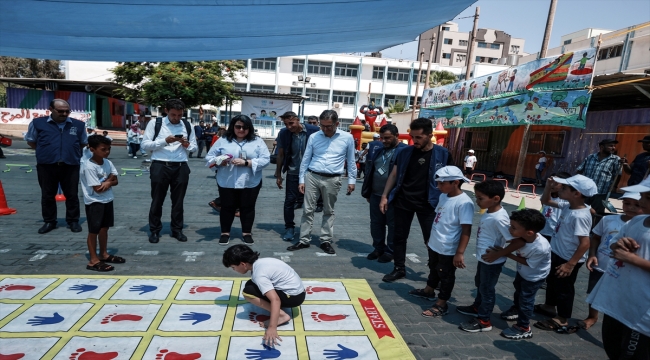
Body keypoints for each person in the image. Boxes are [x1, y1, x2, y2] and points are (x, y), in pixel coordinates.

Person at [379, 118, 454, 282]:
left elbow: (453, 180)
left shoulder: (443, 154)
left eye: (419, 137)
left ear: (429, 135)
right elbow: (393, 174)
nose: (415, 141)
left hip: (429, 203)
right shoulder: (404, 152)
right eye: (413, 137)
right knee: (399, 237)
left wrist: (451, 202)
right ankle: (399, 268)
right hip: (403, 201)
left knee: (431, 240)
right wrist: (385, 196)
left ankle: (435, 274)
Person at [587, 177, 650, 360]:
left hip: (641, 308)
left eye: (649, 197)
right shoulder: (637, 221)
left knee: (632, 353)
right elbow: (614, 243)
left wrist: (631, 258)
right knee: (612, 345)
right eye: (643, 196)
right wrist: (619, 245)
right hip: (619, 299)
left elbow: (628, 257)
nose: (642, 201)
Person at [287, 110, 356, 255]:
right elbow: (306, 159)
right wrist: (301, 179)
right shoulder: (314, 137)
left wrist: (352, 180)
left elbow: (351, 160)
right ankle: (304, 239)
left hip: (333, 178)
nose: (325, 129)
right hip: (312, 176)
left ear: (337, 124)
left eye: (329, 126)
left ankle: (325, 240)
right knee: (307, 209)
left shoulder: (347, 138)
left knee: (328, 210)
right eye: (322, 126)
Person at [534, 174, 597, 332]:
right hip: (557, 252)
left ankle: (562, 318)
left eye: (564, 187)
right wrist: (548, 186)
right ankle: (549, 306)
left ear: (577, 193)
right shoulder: (568, 206)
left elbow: (585, 243)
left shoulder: (580, 215)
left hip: (568, 258)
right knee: (553, 283)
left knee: (564, 289)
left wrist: (570, 264)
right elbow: (545, 201)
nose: (560, 188)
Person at [457, 180, 520, 332]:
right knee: (480, 283)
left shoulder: (500, 218)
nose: (477, 201)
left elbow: (516, 242)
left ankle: (484, 320)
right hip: (484, 259)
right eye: (476, 197)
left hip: (492, 262)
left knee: (487, 289)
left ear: (496, 199)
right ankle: (477, 307)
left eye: (480, 198)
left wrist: (497, 254)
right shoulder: (490, 212)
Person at [580, 191, 642, 330]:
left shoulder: (642, 228)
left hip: (623, 270)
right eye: (627, 203)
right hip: (600, 264)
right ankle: (592, 316)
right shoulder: (608, 220)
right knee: (593, 292)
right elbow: (596, 237)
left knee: (618, 298)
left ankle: (616, 323)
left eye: (636, 204)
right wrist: (592, 255)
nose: (631, 207)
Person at [484, 209, 551, 340]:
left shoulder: (541, 247)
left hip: (534, 277)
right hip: (523, 273)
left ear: (529, 232)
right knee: (518, 291)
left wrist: (505, 253)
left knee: (526, 300)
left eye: (513, 227)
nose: (510, 229)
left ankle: (524, 327)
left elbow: (528, 263)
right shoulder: (521, 236)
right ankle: (516, 309)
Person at [416, 166, 473, 317]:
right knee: (433, 267)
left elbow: (466, 229)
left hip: (448, 247)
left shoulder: (464, 203)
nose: (438, 186)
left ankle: (442, 303)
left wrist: (459, 252)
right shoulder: (444, 196)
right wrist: (430, 238)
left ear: (455, 182)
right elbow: (438, 218)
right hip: (436, 242)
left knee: (445, 274)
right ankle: (429, 290)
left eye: (442, 183)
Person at [223, 244, 306, 347]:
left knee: (248, 292)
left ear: (243, 264)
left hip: (293, 297)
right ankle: (279, 311)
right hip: (299, 292)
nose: (234, 270)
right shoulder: (261, 262)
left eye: (233, 267)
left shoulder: (259, 274)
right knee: (250, 284)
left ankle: (282, 315)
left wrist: (272, 327)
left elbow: (275, 300)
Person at [25, 99, 88, 234]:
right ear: (51, 110)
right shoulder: (38, 123)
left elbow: (82, 143)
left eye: (67, 111)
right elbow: (31, 141)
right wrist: (47, 152)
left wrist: (69, 152)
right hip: (47, 165)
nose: (64, 114)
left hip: (70, 165)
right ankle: (49, 221)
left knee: (72, 194)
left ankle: (73, 221)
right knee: (47, 195)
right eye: (60, 111)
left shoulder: (78, 125)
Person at [140, 99, 197, 244]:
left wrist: (185, 144)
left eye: (179, 115)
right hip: (160, 164)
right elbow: (145, 145)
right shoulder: (155, 123)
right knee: (157, 199)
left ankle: (177, 229)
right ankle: (154, 230)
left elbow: (194, 148)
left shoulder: (187, 125)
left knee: (178, 201)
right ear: (166, 111)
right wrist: (165, 141)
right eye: (173, 115)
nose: (176, 118)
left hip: (180, 166)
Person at [207, 115, 270, 245]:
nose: (241, 129)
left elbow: (266, 159)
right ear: (233, 127)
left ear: (250, 128)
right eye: (238, 126)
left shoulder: (257, 141)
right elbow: (209, 157)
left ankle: (246, 232)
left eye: (245, 127)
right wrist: (219, 161)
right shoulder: (223, 140)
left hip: (250, 181)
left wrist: (247, 162)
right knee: (227, 207)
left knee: (248, 207)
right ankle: (225, 233)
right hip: (227, 180)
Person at [362, 124, 407, 263]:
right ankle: (378, 248)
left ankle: (390, 251)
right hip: (375, 194)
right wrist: (368, 191)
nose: (383, 141)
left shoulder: (404, 151)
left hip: (393, 196)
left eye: (387, 138)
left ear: (397, 136)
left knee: (393, 225)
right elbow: (371, 170)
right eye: (382, 138)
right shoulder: (379, 151)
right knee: (376, 223)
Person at [80, 135, 124, 272]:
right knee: (94, 230)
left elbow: (115, 179)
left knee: (104, 228)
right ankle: (93, 260)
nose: (107, 152)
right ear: (92, 149)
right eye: (103, 149)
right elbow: (98, 189)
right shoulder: (89, 166)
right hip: (95, 201)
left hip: (107, 199)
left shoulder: (107, 163)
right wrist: (109, 181)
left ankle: (103, 254)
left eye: (109, 149)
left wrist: (108, 182)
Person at [274, 111, 320, 242]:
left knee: (309, 203)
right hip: (293, 172)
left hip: (311, 173)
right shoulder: (284, 133)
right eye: (286, 124)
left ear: (298, 120)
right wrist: (278, 175)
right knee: (289, 201)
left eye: (291, 123)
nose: (289, 127)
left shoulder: (314, 131)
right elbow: (281, 154)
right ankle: (289, 227)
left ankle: (306, 230)